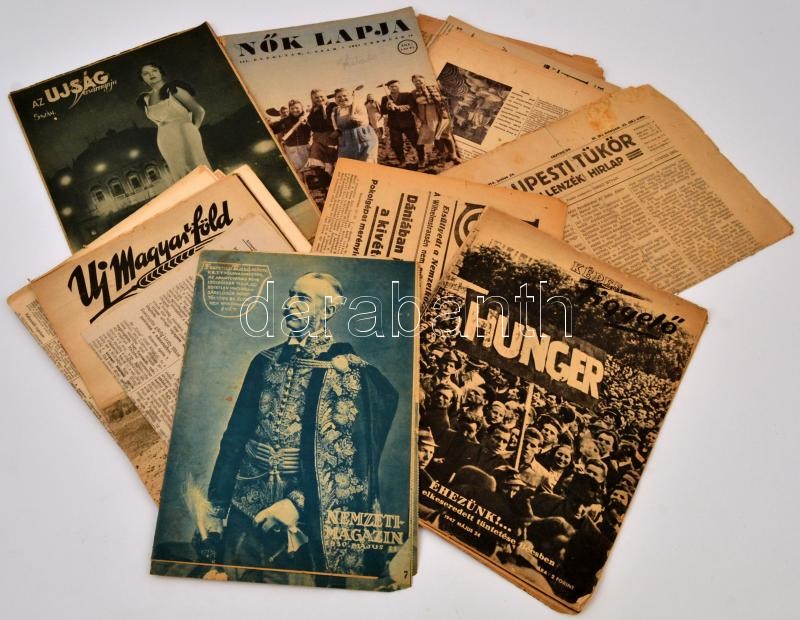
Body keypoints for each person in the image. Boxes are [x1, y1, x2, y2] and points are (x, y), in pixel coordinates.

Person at [202, 272, 399, 583]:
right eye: (291, 295)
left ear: (328, 310)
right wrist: (216, 506)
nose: (290, 304)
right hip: (245, 504)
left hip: (307, 515)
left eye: (303, 299)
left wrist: (296, 504)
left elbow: (351, 463)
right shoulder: (264, 361)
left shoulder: (349, 373)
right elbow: (234, 440)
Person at [138, 63, 211, 181]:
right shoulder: (145, 99)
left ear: (160, 72)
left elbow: (199, 111)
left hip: (185, 132)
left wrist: (192, 129)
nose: (151, 74)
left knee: (197, 166)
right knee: (179, 172)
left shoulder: (173, 89)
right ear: (142, 78)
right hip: (164, 139)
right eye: (146, 73)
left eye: (154, 70)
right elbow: (158, 121)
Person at [410, 74, 460, 165]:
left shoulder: (434, 88)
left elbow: (444, 99)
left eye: (420, 80)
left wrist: (447, 110)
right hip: (427, 116)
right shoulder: (413, 93)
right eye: (415, 81)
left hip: (440, 113)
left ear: (424, 80)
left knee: (447, 135)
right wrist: (420, 116)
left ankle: (453, 155)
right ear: (413, 83)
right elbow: (413, 107)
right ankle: (443, 155)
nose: (418, 82)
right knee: (436, 136)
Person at [380, 79, 424, 168]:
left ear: (399, 86)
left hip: (408, 123)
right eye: (391, 87)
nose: (394, 88)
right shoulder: (385, 98)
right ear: (388, 88)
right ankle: (402, 161)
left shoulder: (407, 95)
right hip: (394, 125)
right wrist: (388, 107)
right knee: (396, 144)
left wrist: (397, 107)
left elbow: (410, 106)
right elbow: (383, 111)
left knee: (416, 141)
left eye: (395, 86)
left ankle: (422, 159)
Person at [331, 88, 378, 163]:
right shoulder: (335, 110)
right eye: (339, 97)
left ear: (350, 97)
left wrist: (356, 118)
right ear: (335, 99)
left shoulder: (358, 105)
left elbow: (365, 120)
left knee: (366, 163)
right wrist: (337, 131)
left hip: (363, 137)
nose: (342, 98)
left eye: (344, 96)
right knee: (348, 165)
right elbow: (336, 126)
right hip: (346, 141)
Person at [306, 89, 338, 177]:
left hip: (331, 137)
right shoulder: (313, 110)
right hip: (318, 139)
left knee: (332, 161)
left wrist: (325, 109)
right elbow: (312, 126)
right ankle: (325, 181)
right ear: (312, 99)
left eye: (321, 96)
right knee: (318, 162)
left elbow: (335, 121)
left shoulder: (332, 105)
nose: (319, 99)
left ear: (325, 96)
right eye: (316, 98)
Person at [274, 99, 312, 171]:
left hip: (304, 148)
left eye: (297, 108)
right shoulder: (285, 120)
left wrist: (307, 121)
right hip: (291, 150)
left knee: (309, 170)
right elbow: (274, 128)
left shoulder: (308, 117)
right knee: (297, 171)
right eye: (292, 108)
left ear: (302, 108)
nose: (294, 110)